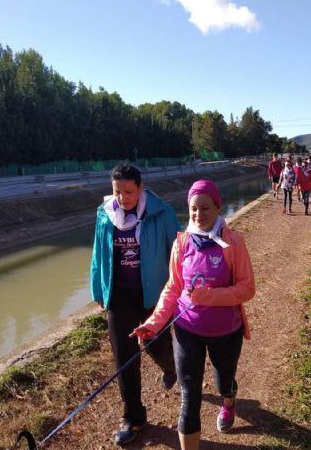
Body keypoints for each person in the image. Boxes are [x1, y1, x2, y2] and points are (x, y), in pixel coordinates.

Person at [131, 180, 256, 450]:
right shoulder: (182, 242)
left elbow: (247, 289)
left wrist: (210, 296)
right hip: (187, 330)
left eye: (205, 208)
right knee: (189, 396)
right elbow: (173, 287)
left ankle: (228, 401)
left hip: (226, 332)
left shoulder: (234, 242)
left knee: (223, 383)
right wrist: (153, 323)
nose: (199, 214)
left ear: (218, 207)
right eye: (193, 209)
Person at [90, 163, 180, 446]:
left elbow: (178, 251)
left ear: (141, 188)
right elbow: (98, 253)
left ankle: (171, 367)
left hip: (154, 294)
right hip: (119, 295)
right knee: (124, 356)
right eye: (117, 192)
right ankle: (133, 417)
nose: (122, 198)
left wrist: (182, 288)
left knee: (156, 345)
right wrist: (98, 289)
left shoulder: (161, 212)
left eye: (128, 192)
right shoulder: (105, 214)